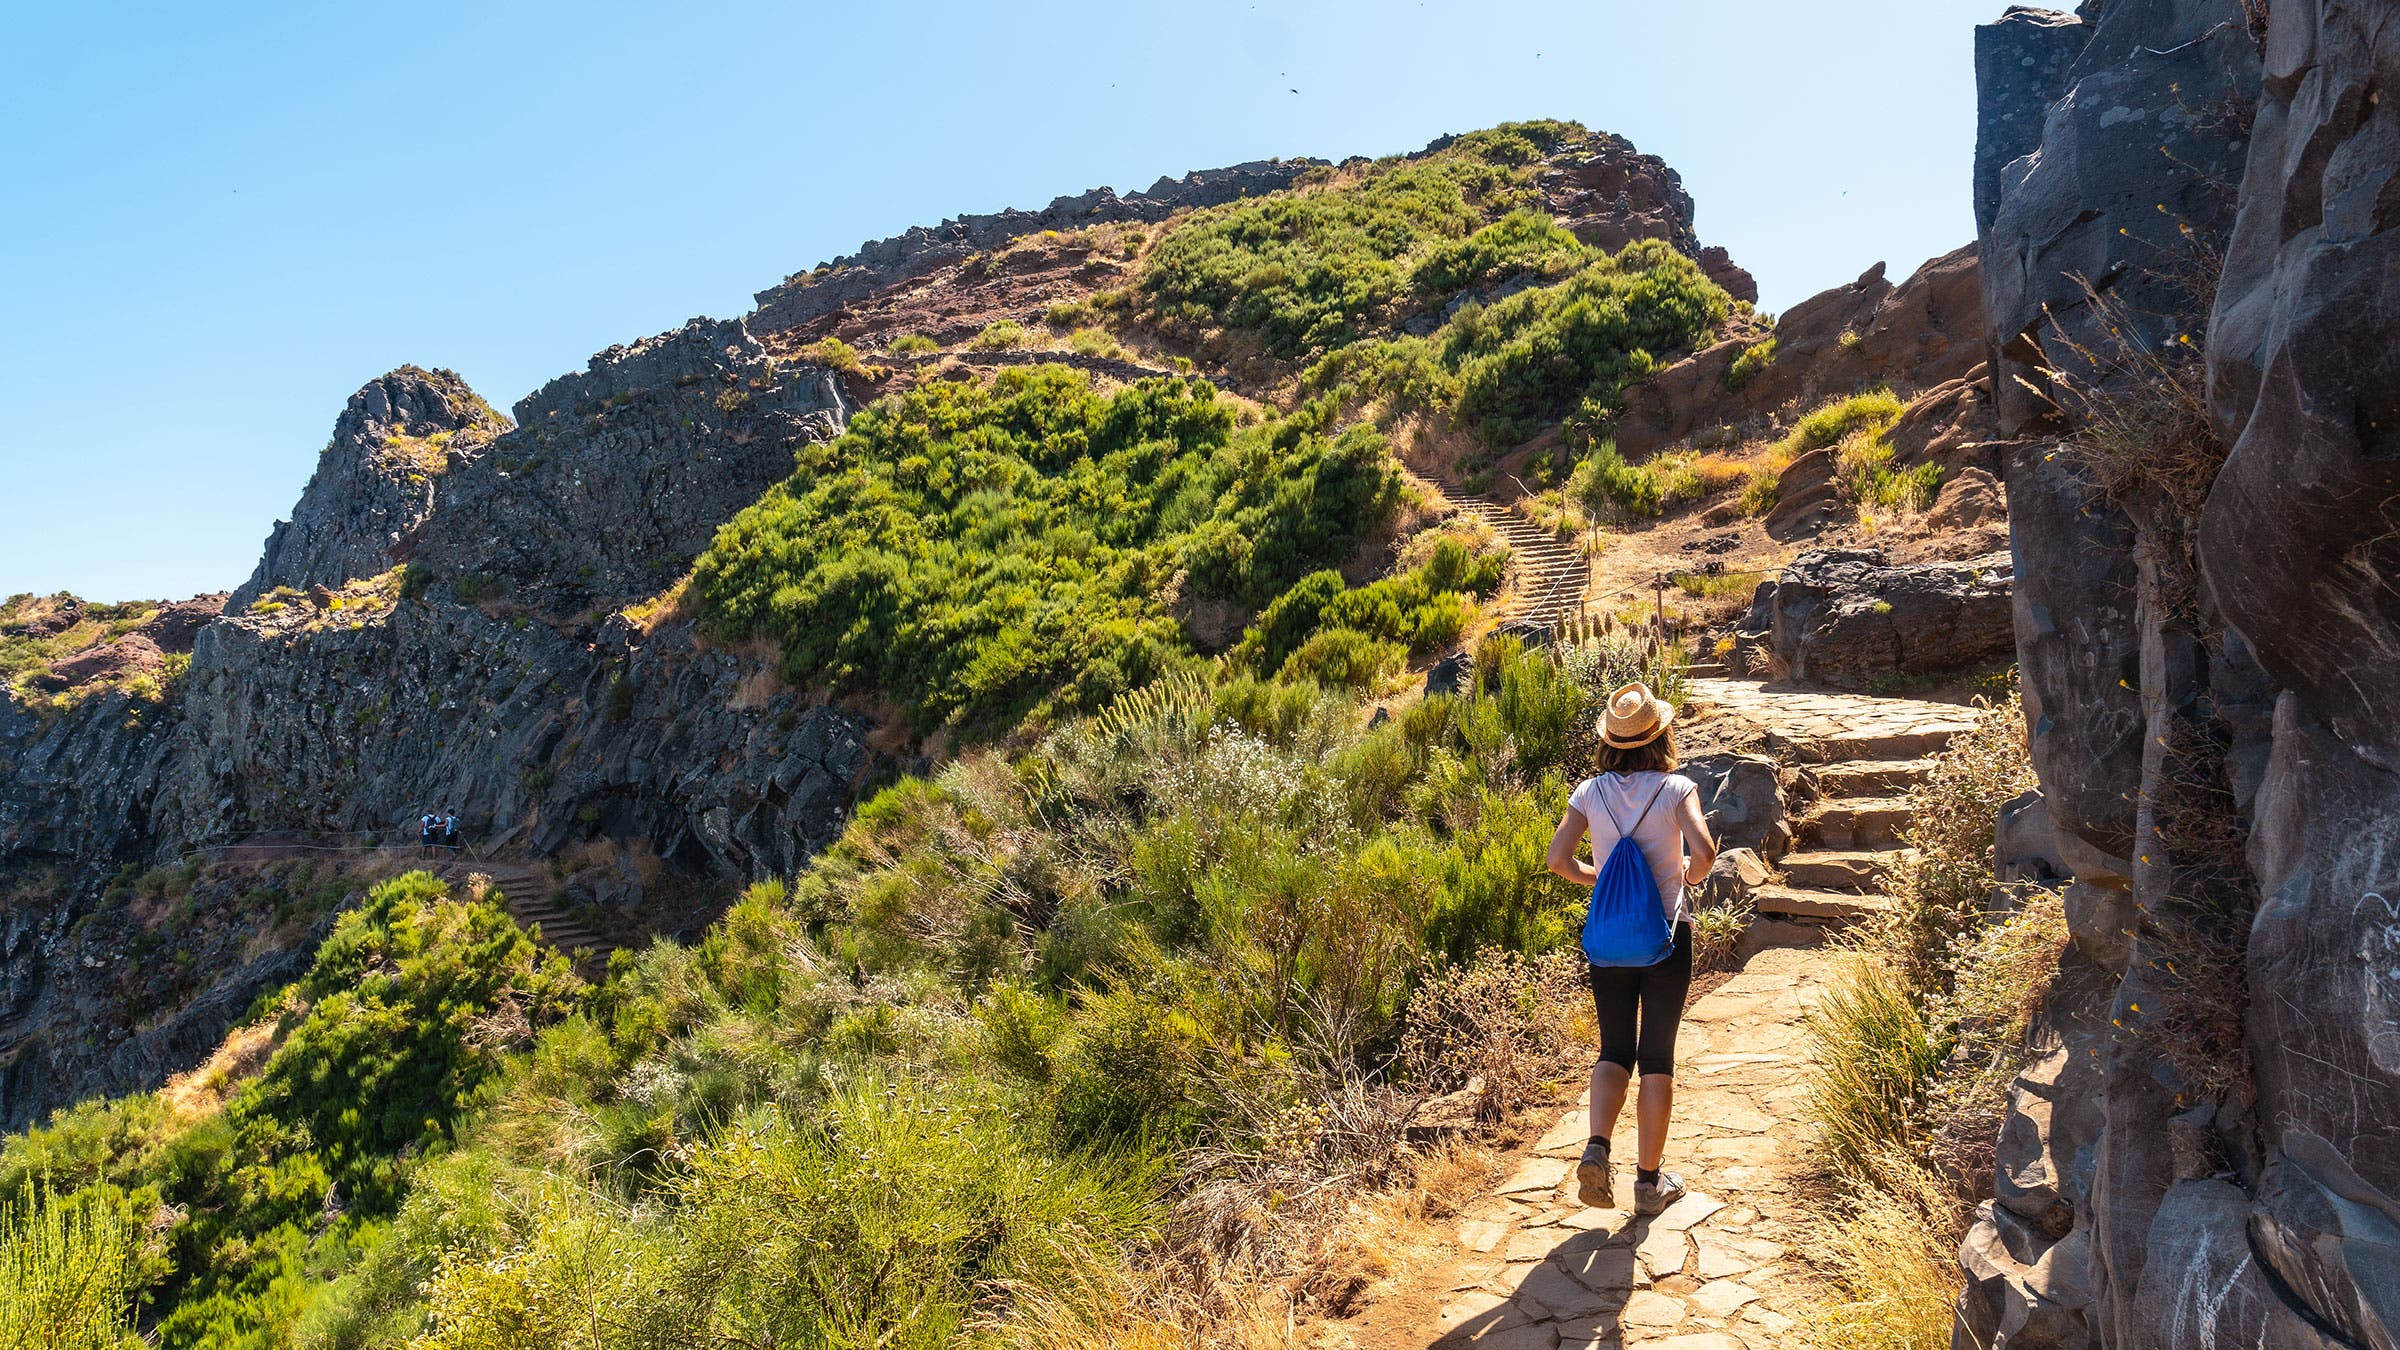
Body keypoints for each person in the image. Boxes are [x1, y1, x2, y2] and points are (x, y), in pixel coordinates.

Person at [1545, 680, 1717, 1215]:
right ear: (1660, 736)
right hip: (1665, 937)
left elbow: (1557, 860)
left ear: (1610, 741)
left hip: (1609, 941)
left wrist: (1604, 879)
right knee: (1657, 1056)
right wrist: (1689, 873)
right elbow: (1706, 850)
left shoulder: (1589, 792)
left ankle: (1597, 1147)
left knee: (1614, 1049)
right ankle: (1648, 1184)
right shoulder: (1675, 789)